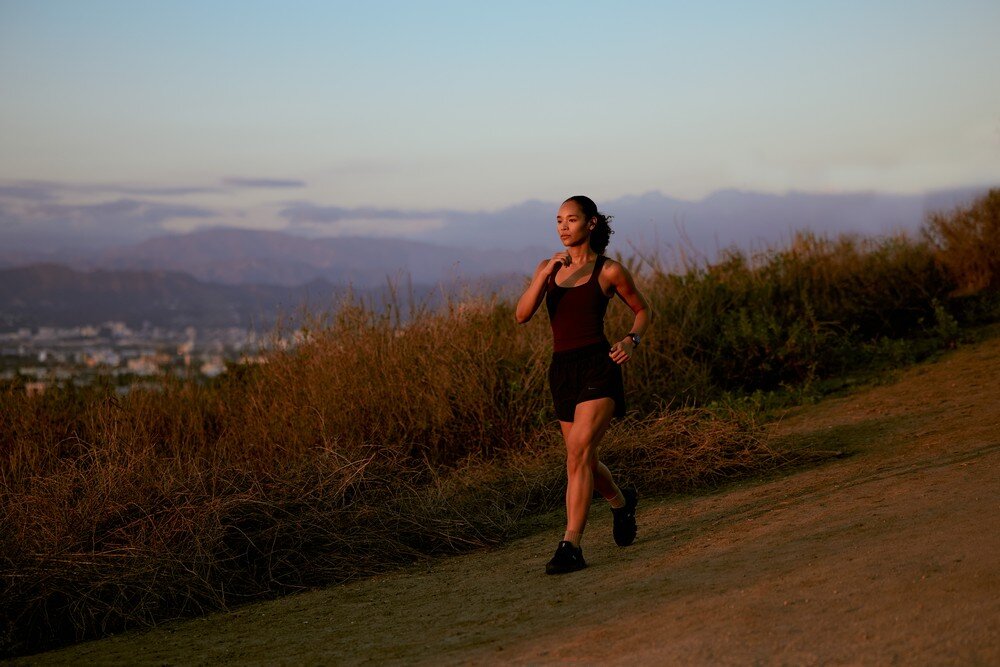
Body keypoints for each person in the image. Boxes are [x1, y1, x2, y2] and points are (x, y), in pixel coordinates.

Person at [515, 195, 652, 574]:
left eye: (571, 219)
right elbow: (522, 315)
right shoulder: (547, 268)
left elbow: (642, 309)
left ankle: (570, 545)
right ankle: (621, 502)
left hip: (598, 367)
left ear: (590, 223)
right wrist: (544, 274)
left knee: (576, 455)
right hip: (561, 371)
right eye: (559, 220)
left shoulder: (609, 271)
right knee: (585, 458)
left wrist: (632, 339)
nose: (563, 227)